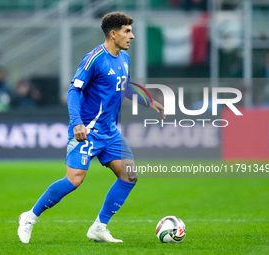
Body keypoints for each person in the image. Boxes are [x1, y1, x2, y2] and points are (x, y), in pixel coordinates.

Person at [17, 11, 165, 244]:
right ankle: (30, 216)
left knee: (129, 175)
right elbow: (73, 90)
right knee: (74, 179)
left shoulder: (124, 58)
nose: (132, 36)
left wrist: (149, 100)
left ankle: (99, 227)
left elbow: (124, 87)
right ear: (113, 34)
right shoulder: (94, 58)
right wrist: (77, 123)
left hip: (110, 132)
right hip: (87, 131)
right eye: (127, 31)